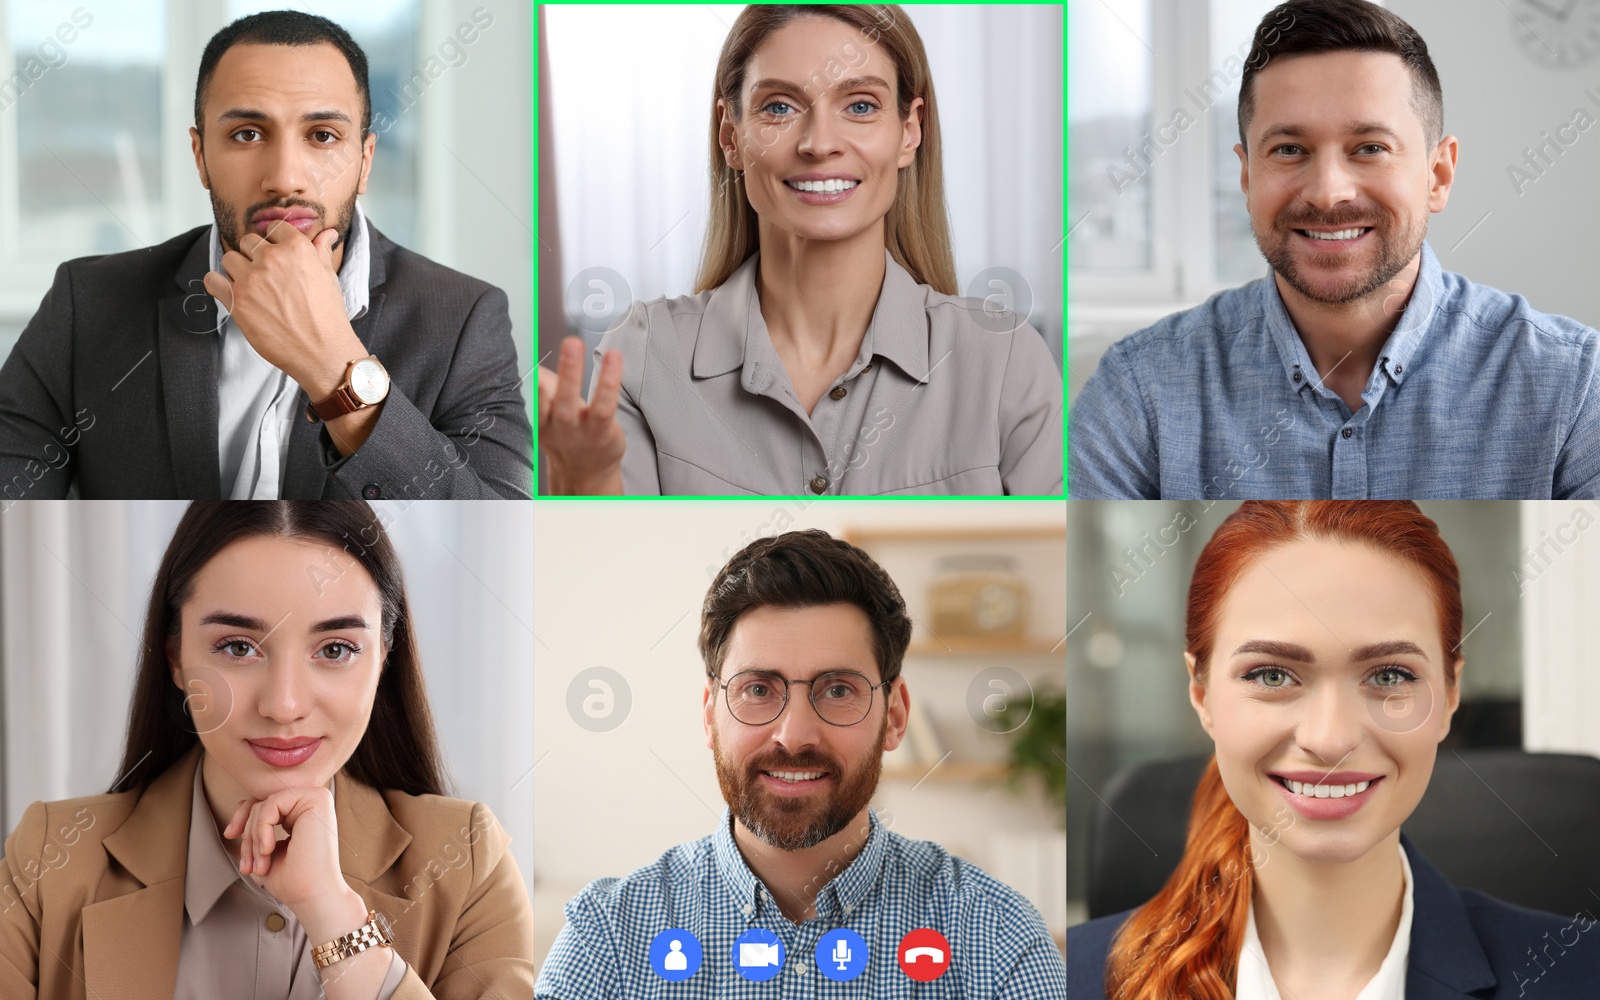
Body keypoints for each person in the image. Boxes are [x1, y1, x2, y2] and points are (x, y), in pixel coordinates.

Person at [1068, 0, 1600, 499]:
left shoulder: (1573, 387)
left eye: (1370, 148)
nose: (1327, 192)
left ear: (1437, 175)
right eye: (1290, 150)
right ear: (1247, 175)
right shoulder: (1138, 393)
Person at [0, 501, 535, 998]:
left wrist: (336, 918)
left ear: (383, 661)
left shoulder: (467, 862)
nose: (284, 705)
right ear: (176, 659)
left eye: (335, 649)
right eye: (238, 647)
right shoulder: (49, 859)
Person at [1068, 501, 1600, 998]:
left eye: (1390, 675)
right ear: (1202, 694)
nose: (1330, 739)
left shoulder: (1580, 975)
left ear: (1449, 696)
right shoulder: (1074, 977)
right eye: (1272, 674)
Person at [0, 12, 532, 499]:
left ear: (365, 162)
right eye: (247, 134)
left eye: (323, 135)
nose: (285, 178)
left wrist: (333, 367)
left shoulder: (464, 318)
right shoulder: (86, 303)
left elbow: (494, 548)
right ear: (200, 156)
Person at [536, 4, 1063, 496]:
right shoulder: (645, 353)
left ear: (909, 131)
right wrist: (587, 481)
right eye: (780, 107)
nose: (819, 143)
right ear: (731, 136)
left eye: (860, 105)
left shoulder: (1005, 360)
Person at [535, 530, 1067, 997]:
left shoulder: (998, 939)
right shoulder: (608, 937)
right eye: (758, 689)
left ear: (896, 715)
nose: (794, 735)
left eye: (837, 690)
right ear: (709, 715)